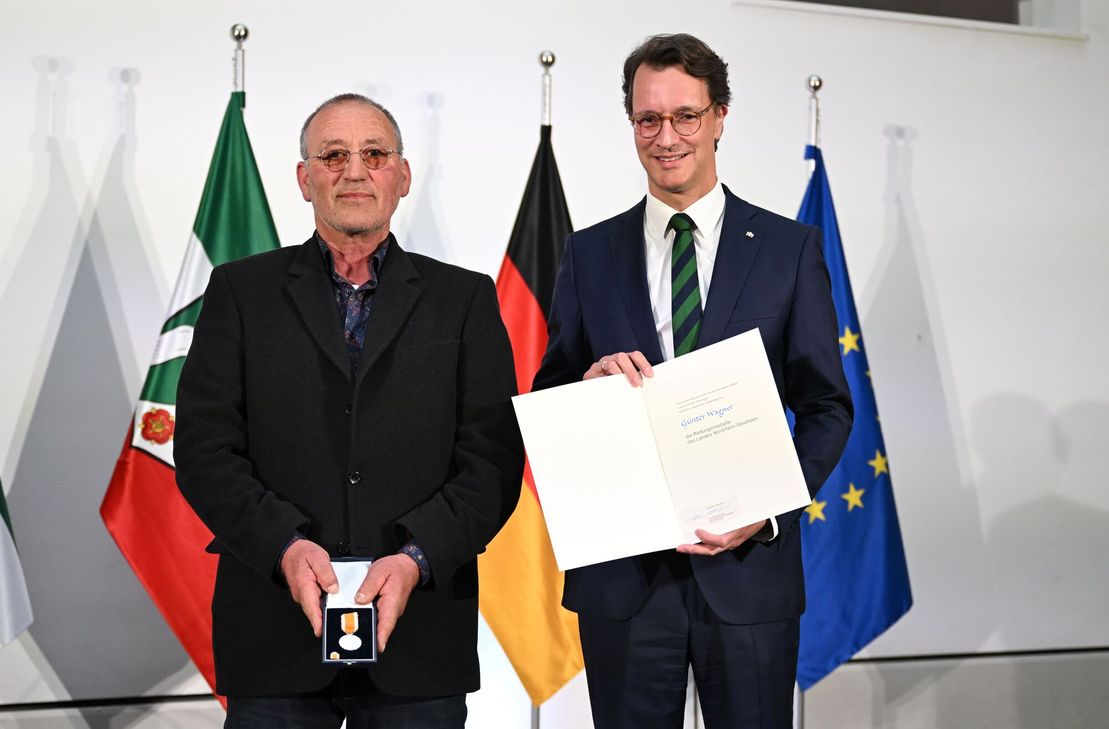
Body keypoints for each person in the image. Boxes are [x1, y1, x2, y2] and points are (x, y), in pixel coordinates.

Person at [533, 34, 853, 728]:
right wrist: (590, 383)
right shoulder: (587, 253)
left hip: (749, 575)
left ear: (719, 117)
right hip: (623, 580)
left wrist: (766, 510)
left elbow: (827, 407)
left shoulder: (788, 250)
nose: (666, 136)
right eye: (648, 118)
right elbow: (550, 397)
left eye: (685, 115)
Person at [175, 93, 523, 728]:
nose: (355, 171)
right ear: (304, 178)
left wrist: (416, 558)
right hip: (274, 635)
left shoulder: (464, 299)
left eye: (375, 154)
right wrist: (284, 546)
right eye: (333, 155)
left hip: (419, 640)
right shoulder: (239, 292)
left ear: (402, 175)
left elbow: (494, 463)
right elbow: (204, 450)